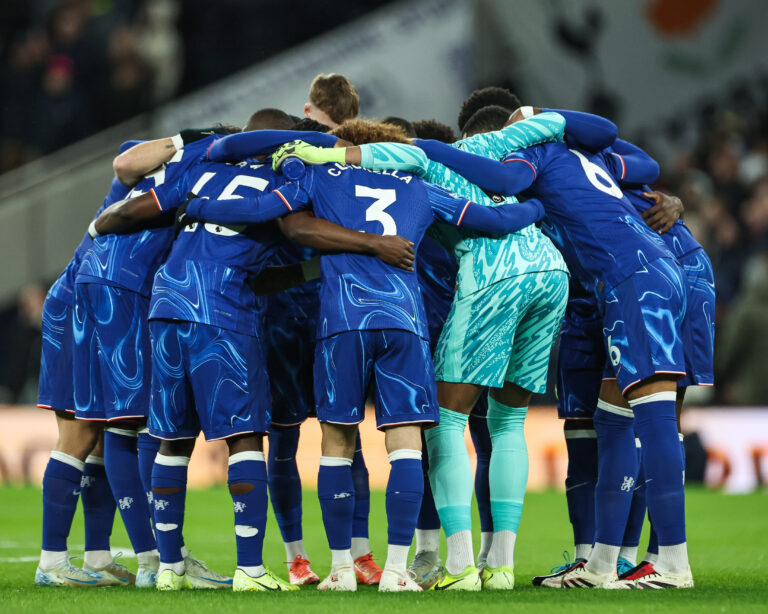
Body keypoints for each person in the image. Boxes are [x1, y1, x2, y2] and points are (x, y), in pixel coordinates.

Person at [173, 152, 549, 592]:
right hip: (404, 320)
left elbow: (278, 219)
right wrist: (537, 205)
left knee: (337, 440)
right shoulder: (418, 184)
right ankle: (395, 571)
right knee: (406, 442)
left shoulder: (322, 176)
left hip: (342, 320)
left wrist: (196, 206)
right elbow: (494, 220)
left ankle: (341, 571)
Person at [271, 108, 613, 590]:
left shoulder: (358, 170)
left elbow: (293, 223)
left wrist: (307, 154)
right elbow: (498, 214)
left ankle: (442, 566)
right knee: (500, 422)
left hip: (359, 312)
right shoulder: (480, 158)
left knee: (376, 433)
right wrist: (537, 207)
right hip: (534, 276)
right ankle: (488, 567)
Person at [89, 138, 416, 592]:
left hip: (166, 304)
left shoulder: (198, 174)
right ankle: (251, 570)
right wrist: (369, 245)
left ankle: (167, 569)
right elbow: (298, 229)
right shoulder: (283, 178)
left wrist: (97, 227)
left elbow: (127, 213)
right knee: (244, 438)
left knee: (170, 440)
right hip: (223, 309)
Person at [413, 111, 694, 589]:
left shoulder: (537, 151)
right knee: (612, 418)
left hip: (631, 279)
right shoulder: (593, 156)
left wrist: (420, 149)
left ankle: (672, 562)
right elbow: (641, 165)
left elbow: (504, 178)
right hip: (644, 272)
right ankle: (602, 565)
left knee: (655, 417)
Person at [74, 128, 235, 588]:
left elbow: (126, 164)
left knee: (128, 423)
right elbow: (124, 164)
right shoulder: (201, 162)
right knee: (134, 423)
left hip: (116, 284)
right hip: (124, 284)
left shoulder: (159, 160)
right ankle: (157, 561)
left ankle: (154, 558)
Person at [34, 140, 144, 588]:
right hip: (79, 304)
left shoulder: (146, 196)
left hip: (89, 302)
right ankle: (51, 562)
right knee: (78, 435)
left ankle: (97, 556)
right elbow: (126, 154)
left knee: (99, 435)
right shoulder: (135, 188)